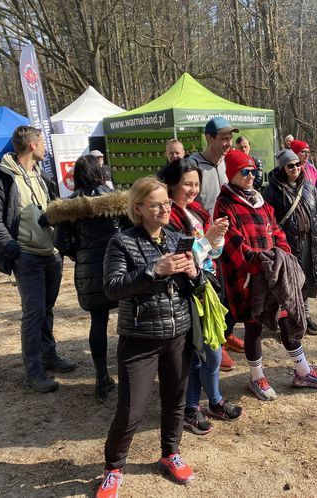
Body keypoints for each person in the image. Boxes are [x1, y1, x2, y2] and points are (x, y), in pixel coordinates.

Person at [96, 177, 204, 497]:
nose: (164, 209)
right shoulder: (122, 242)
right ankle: (113, 469)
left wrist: (194, 274)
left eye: (167, 203)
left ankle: (170, 453)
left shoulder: (177, 238)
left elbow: (197, 288)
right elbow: (112, 287)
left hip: (178, 334)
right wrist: (153, 271)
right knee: (131, 409)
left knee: (175, 401)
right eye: (156, 204)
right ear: (138, 208)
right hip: (140, 338)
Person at [214, 149, 317, 401]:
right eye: (243, 172)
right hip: (248, 277)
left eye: (252, 171)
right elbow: (232, 242)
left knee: (287, 319)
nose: (249, 175)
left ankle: (302, 371)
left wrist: (283, 252)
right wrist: (257, 261)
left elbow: (275, 227)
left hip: (274, 272)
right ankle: (256, 377)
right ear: (232, 174)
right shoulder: (225, 203)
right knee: (254, 327)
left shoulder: (258, 198)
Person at [0, 126, 76, 393]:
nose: (45, 147)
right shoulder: (1, 176)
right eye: (43, 142)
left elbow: (51, 209)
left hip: (50, 254)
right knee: (33, 313)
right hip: (26, 255)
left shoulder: (41, 175)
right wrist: (13, 249)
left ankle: (49, 356)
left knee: (46, 309)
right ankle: (34, 371)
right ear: (32, 145)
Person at [160, 159, 243, 436]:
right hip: (186, 292)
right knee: (196, 353)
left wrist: (216, 237)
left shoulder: (196, 210)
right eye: (187, 184)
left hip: (207, 286)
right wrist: (207, 239)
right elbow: (183, 255)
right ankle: (191, 409)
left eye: (196, 184)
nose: (193, 190)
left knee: (214, 350)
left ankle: (215, 400)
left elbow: (211, 254)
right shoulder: (167, 217)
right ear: (171, 185)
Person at [46, 155, 129, 399]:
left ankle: (101, 376)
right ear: (101, 172)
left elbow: (61, 241)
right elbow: (130, 233)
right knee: (127, 322)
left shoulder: (70, 207)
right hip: (121, 267)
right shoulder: (118, 201)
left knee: (98, 321)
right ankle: (129, 373)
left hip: (89, 272)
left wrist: (80, 255)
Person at [187, 117, 244, 370]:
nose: (227, 143)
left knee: (233, 290)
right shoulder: (193, 165)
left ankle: (227, 332)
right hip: (204, 243)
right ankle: (217, 341)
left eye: (230, 138)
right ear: (208, 138)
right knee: (213, 292)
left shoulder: (227, 163)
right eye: (222, 138)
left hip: (229, 238)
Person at [263, 149, 317, 335]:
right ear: (282, 168)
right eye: (290, 165)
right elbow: (268, 219)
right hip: (288, 244)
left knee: (306, 280)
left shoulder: (308, 186)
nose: (295, 168)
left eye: (297, 164)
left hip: (310, 242)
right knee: (290, 283)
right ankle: (289, 319)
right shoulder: (272, 191)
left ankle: (305, 316)